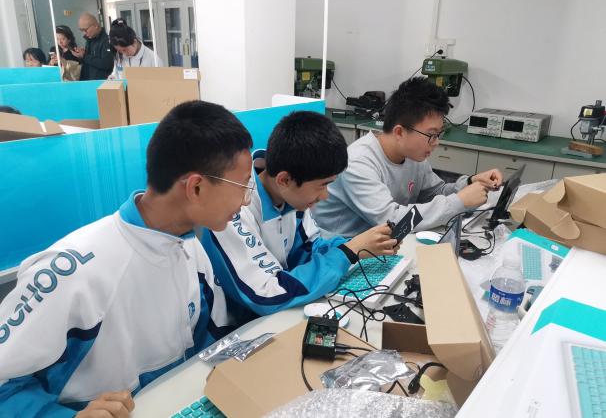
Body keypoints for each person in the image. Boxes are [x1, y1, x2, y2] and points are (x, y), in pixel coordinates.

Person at [0, 101, 253, 416]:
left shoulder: (188, 245)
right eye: (242, 185)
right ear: (196, 187)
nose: (246, 201)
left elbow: (207, 338)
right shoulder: (71, 271)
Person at [202, 111, 397, 320]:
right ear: (284, 180)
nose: (325, 196)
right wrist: (348, 252)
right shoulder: (232, 210)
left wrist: (360, 245)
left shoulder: (292, 196)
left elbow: (310, 249)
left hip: (280, 314)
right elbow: (267, 295)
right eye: (322, 185)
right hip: (241, 326)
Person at [313, 77, 504, 237]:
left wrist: (469, 183)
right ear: (399, 132)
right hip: (344, 247)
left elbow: (436, 192)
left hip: (383, 244)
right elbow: (392, 222)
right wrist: (459, 202)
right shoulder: (358, 163)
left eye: (439, 134)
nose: (436, 142)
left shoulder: (413, 155)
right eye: (431, 135)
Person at [72, 12, 114, 81]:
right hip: (88, 81)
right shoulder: (90, 39)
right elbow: (89, 62)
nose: (84, 33)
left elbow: (107, 64)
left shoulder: (107, 41)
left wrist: (85, 56)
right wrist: (82, 55)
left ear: (96, 26)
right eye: (81, 30)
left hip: (101, 83)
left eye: (85, 30)